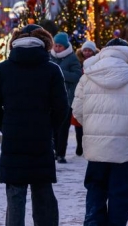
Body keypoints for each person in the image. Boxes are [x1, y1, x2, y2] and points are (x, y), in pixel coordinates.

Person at [0, 24, 69, 226]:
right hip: (41, 140)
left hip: (14, 141)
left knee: (15, 194)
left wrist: (7, 125)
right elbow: (62, 107)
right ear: (45, 43)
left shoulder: (4, 68)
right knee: (43, 192)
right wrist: (48, 128)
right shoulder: (52, 70)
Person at [72, 38, 128, 226]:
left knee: (95, 189)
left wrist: (92, 127)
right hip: (122, 149)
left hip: (95, 149)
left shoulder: (88, 74)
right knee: (121, 194)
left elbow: (77, 110)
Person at [50, 32, 82, 164]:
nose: (57, 48)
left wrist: (61, 73)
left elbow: (76, 76)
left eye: (60, 46)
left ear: (65, 46)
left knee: (63, 127)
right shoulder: (49, 57)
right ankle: (53, 150)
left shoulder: (71, 58)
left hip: (66, 98)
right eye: (55, 45)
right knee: (52, 127)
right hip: (51, 98)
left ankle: (61, 153)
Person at [74, 40, 100, 156]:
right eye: (85, 50)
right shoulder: (77, 62)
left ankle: (89, 146)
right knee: (78, 121)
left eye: (90, 50)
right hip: (80, 94)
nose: (87, 53)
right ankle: (79, 144)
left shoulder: (98, 62)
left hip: (93, 95)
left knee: (91, 123)